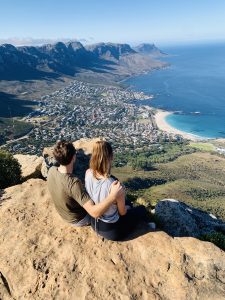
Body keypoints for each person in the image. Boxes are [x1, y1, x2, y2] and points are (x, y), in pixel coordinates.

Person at [85, 140, 153, 241]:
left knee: (128, 203)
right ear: (111, 157)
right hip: (111, 231)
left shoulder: (88, 173)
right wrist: (127, 207)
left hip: (94, 223)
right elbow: (122, 213)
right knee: (141, 209)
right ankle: (151, 226)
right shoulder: (114, 185)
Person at [47, 140, 124, 227]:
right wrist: (112, 196)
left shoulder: (51, 170)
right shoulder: (73, 183)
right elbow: (94, 213)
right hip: (78, 219)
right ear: (73, 158)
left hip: (64, 214)